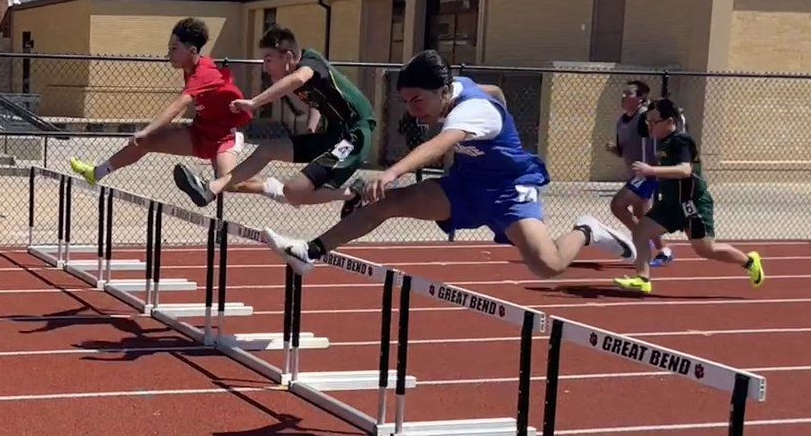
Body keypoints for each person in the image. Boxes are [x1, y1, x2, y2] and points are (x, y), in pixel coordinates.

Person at [260, 49, 637, 277]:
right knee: (385, 204)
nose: (412, 110)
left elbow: (440, 144)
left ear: (442, 92)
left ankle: (587, 230)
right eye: (406, 101)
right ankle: (309, 251)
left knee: (548, 266)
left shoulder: (471, 113)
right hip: (466, 185)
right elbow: (494, 89)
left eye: (417, 101)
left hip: (509, 191)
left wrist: (392, 172)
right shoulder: (459, 87)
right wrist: (504, 112)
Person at [172, 23, 375, 218]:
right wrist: (311, 126)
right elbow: (318, 101)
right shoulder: (303, 76)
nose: (264, 67)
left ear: (288, 57)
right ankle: (210, 189)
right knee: (267, 150)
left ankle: (354, 193)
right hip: (332, 134)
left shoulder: (310, 62)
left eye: (268, 60)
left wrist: (254, 103)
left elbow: (297, 79)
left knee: (293, 191)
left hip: (353, 136)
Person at [68, 18, 264, 198]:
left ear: (192, 51)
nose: (168, 54)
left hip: (225, 138)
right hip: (200, 134)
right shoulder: (190, 69)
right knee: (145, 142)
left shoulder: (204, 73)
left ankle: (272, 188)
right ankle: (96, 173)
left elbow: (176, 107)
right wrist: (151, 134)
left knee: (229, 184)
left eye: (173, 49)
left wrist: (146, 129)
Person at [613, 97, 765, 295]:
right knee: (641, 232)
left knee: (706, 250)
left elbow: (685, 170)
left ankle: (750, 261)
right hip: (670, 205)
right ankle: (643, 280)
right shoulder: (662, 142)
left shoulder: (681, 141)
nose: (649, 126)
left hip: (692, 204)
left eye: (654, 121)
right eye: (648, 121)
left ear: (670, 121)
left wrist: (652, 170)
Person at [607, 80, 673, 266]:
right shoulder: (621, 122)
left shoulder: (645, 116)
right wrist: (613, 149)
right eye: (623, 93)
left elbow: (658, 138)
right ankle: (664, 250)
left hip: (647, 173)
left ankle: (642, 239)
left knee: (617, 205)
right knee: (643, 215)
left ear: (641, 98)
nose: (623, 96)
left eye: (628, 93)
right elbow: (623, 151)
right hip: (635, 173)